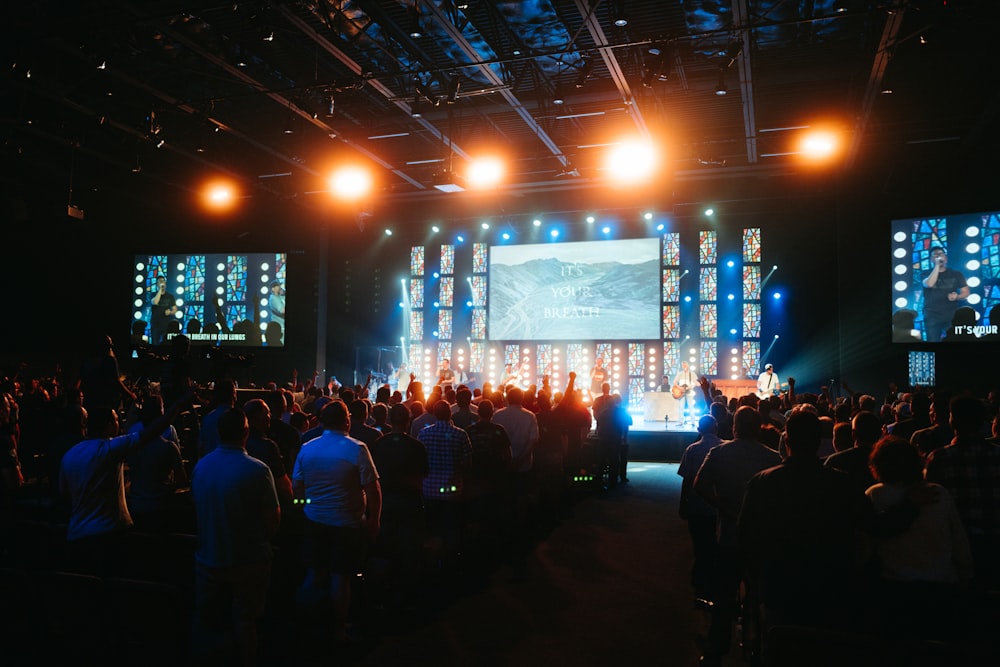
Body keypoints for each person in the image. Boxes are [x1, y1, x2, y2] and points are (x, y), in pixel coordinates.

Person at [190, 406, 281, 667]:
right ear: (246, 432)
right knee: (246, 621)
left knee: (206, 618)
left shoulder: (201, 466)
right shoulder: (257, 470)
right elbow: (272, 520)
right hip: (248, 559)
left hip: (208, 557)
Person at [292, 399, 381, 643]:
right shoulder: (357, 448)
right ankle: (339, 630)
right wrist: (374, 521)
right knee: (341, 578)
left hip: (315, 521)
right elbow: (373, 490)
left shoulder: (308, 447)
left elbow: (297, 486)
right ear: (347, 421)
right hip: (347, 524)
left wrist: (305, 506)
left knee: (314, 573)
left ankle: (305, 623)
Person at [677, 415, 722, 599]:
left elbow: (687, 480)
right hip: (719, 506)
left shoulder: (692, 450)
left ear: (699, 429)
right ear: (717, 428)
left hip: (696, 504)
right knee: (714, 540)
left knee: (699, 542)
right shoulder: (724, 448)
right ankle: (710, 576)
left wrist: (683, 503)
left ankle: (701, 576)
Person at [921, 245, 969, 341]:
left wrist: (957, 296)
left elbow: (966, 292)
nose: (938, 256)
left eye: (941, 254)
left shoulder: (956, 274)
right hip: (932, 315)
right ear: (931, 259)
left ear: (946, 258)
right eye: (935, 255)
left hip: (952, 315)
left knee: (955, 341)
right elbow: (929, 284)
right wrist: (937, 266)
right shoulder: (925, 274)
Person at [150, 275, 179, 345]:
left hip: (166, 325)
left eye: (163, 281)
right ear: (157, 284)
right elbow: (155, 302)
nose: (162, 283)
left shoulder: (170, 296)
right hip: (155, 324)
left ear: (165, 284)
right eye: (160, 282)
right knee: (155, 343)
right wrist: (160, 289)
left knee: (166, 343)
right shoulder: (153, 294)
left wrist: (170, 312)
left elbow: (175, 309)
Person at [672, 360, 698, 425]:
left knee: (691, 406)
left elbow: (695, 383)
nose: (684, 366)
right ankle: (680, 422)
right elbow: (674, 382)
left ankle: (693, 422)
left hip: (689, 391)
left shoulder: (692, 374)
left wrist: (692, 386)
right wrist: (679, 388)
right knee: (681, 407)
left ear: (688, 365)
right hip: (682, 392)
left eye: (685, 365)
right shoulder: (680, 373)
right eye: (683, 365)